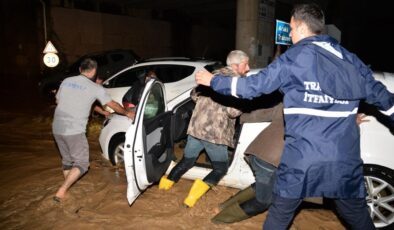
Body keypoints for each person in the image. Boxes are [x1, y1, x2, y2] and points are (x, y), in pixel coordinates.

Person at [196, 3, 394, 229]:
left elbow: (253, 87)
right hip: (343, 161)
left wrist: (213, 81)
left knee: (279, 215)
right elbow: (385, 99)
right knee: (357, 216)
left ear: (300, 27)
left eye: (290, 29)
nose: (289, 35)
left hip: (302, 159)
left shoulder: (295, 57)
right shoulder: (350, 59)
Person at [158, 50, 249, 208]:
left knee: (187, 161)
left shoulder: (212, 75)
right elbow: (232, 112)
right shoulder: (235, 83)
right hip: (214, 134)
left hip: (196, 129)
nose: (248, 68)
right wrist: (245, 102)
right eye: (246, 64)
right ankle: (191, 199)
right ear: (238, 65)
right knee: (221, 169)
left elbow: (194, 95)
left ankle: (163, 188)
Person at [52, 58, 134, 202]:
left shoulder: (66, 81)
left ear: (80, 69)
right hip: (74, 130)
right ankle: (62, 191)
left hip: (57, 127)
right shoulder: (95, 88)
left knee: (67, 161)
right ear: (94, 71)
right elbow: (113, 104)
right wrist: (127, 113)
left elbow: (58, 100)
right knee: (82, 164)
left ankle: (69, 187)